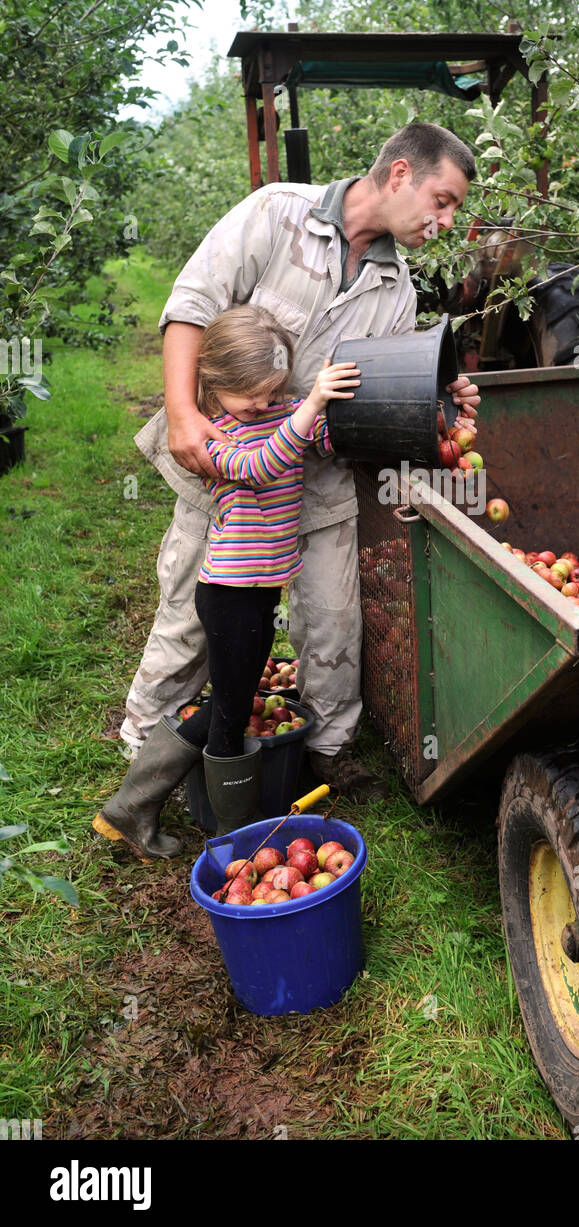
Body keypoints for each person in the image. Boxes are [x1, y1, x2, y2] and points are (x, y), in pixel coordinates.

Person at [117, 121, 480, 811]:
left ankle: (323, 757)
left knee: (332, 624)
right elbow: (189, 306)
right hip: (222, 463)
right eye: (442, 200)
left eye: (454, 209)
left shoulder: (395, 291)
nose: (446, 221)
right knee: (194, 614)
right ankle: (144, 755)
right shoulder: (276, 214)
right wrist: (185, 416)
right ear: (399, 174)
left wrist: (440, 400)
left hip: (312, 476)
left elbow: (380, 398)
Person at [93, 309, 361, 856]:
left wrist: (333, 417)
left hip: (262, 592)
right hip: (229, 595)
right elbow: (262, 466)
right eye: (252, 397)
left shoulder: (279, 412)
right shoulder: (213, 437)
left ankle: (131, 807)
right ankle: (230, 840)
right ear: (215, 385)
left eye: (274, 393)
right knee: (231, 713)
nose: (265, 406)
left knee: (230, 702)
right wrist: (307, 408)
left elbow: (318, 444)